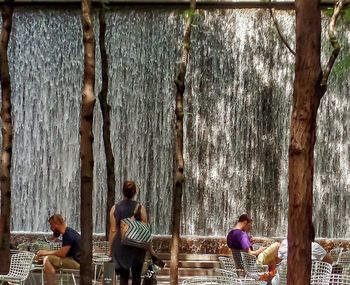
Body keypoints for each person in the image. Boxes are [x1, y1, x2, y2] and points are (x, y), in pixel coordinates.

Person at [109, 180, 148, 285]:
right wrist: (150, 249)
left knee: (123, 277)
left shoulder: (114, 208)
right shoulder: (140, 208)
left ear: (123, 191)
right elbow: (146, 230)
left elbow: (113, 231)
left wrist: (110, 250)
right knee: (136, 276)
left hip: (121, 245)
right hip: (137, 247)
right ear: (135, 192)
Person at [37, 214, 81, 285]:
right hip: (74, 260)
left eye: (51, 225)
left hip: (77, 263)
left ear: (57, 223)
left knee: (47, 259)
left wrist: (45, 252)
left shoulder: (68, 234)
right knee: (45, 259)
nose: (51, 228)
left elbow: (62, 254)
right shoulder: (68, 232)